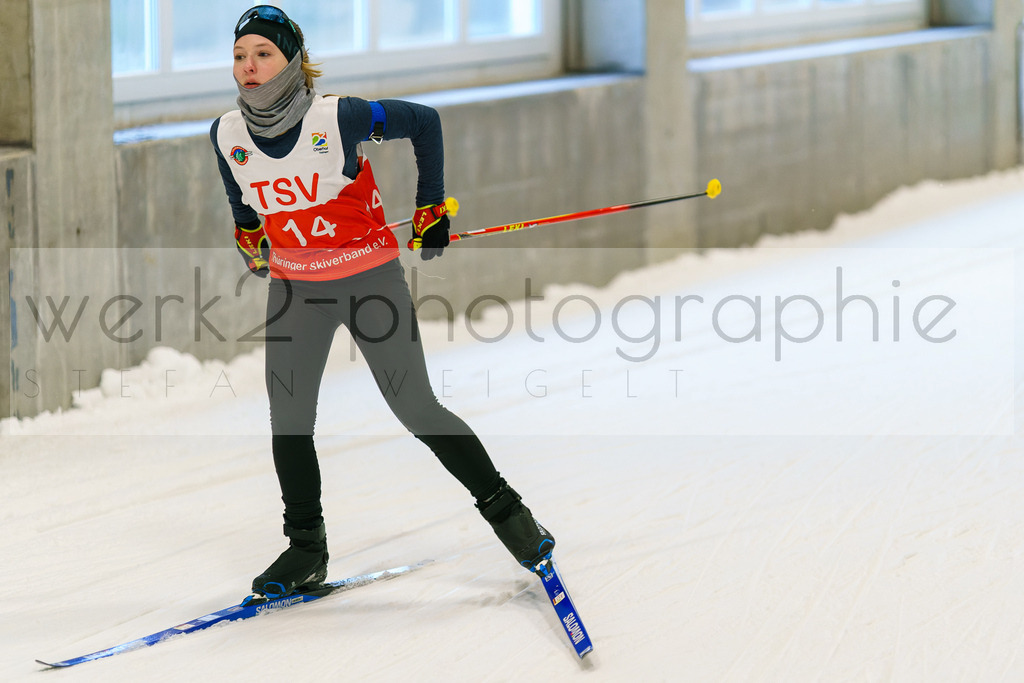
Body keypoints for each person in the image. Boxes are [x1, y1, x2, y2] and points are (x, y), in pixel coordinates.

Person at [210, 5, 554, 601]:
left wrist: (430, 207)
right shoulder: (226, 135)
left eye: (263, 54)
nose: (248, 67)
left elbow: (424, 122)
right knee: (289, 422)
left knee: (416, 408)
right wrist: (250, 236)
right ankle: (306, 550)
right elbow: (244, 204)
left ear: (291, 61)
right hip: (296, 289)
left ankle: (513, 520)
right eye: (240, 56)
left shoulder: (337, 117)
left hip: (369, 282)